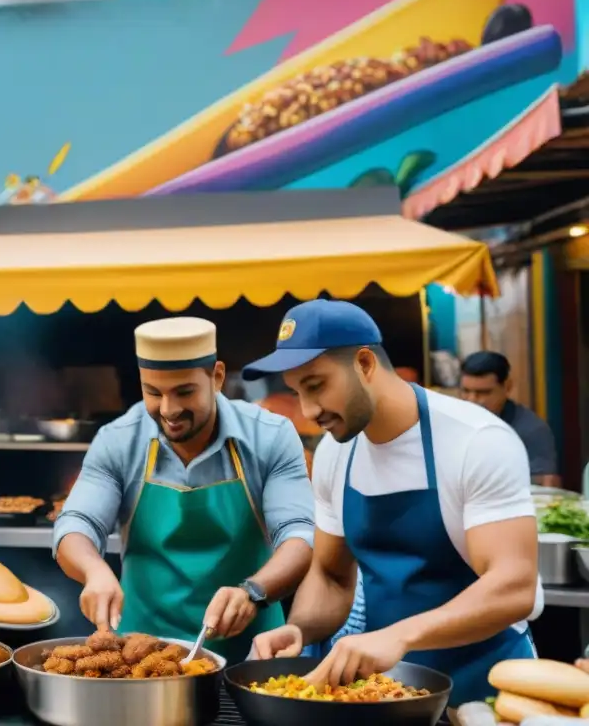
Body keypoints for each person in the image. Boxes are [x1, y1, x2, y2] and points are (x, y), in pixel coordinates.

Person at [243, 300, 540, 711]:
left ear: (364, 363)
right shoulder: (335, 453)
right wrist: (300, 629)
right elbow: (331, 576)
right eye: (297, 392)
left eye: (316, 385)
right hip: (390, 692)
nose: (309, 411)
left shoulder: (478, 441)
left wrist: (399, 636)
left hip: (489, 685)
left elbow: (514, 586)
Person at [54, 317, 315, 662]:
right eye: (153, 392)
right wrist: (94, 570)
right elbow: (75, 524)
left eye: (184, 392)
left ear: (217, 377)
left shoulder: (270, 436)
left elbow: (300, 537)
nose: (168, 410)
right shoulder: (118, 440)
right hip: (139, 658)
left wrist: (253, 592)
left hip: (252, 655)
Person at [460, 351, 559, 487]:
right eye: (466, 391)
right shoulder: (451, 423)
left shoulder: (531, 430)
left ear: (507, 387)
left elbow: (545, 487)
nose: (472, 400)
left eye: (483, 393)